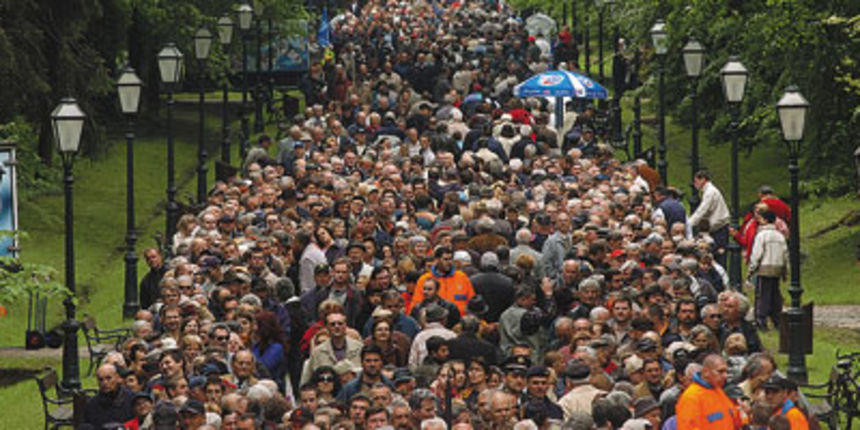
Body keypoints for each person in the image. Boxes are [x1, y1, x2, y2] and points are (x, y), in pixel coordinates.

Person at [675, 354, 743, 429]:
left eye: (726, 372)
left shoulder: (719, 392)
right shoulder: (691, 397)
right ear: (705, 372)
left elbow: (736, 421)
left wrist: (743, 412)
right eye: (720, 371)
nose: (725, 376)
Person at [748, 210, 789, 330]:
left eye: (760, 219)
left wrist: (752, 268)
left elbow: (757, 253)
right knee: (775, 294)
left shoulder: (762, 235)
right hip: (777, 268)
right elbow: (785, 254)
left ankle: (761, 319)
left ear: (765, 221)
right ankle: (777, 319)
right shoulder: (779, 236)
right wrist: (785, 270)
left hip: (764, 268)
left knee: (762, 295)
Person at [408, 246, 476, 317]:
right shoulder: (425, 279)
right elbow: (416, 305)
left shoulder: (462, 277)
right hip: (435, 320)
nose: (449, 262)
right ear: (437, 260)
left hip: (459, 320)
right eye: (445, 259)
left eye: (450, 259)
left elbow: (472, 302)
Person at [687, 171, 732, 269]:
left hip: (719, 229)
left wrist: (689, 223)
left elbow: (702, 210)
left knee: (718, 256)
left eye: (696, 181)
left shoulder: (710, 192)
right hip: (717, 227)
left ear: (703, 179)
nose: (695, 184)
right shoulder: (709, 191)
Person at [82, 364, 135, 429]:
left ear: (117, 378)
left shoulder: (131, 400)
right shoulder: (92, 404)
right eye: (101, 379)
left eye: (108, 378)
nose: (105, 382)